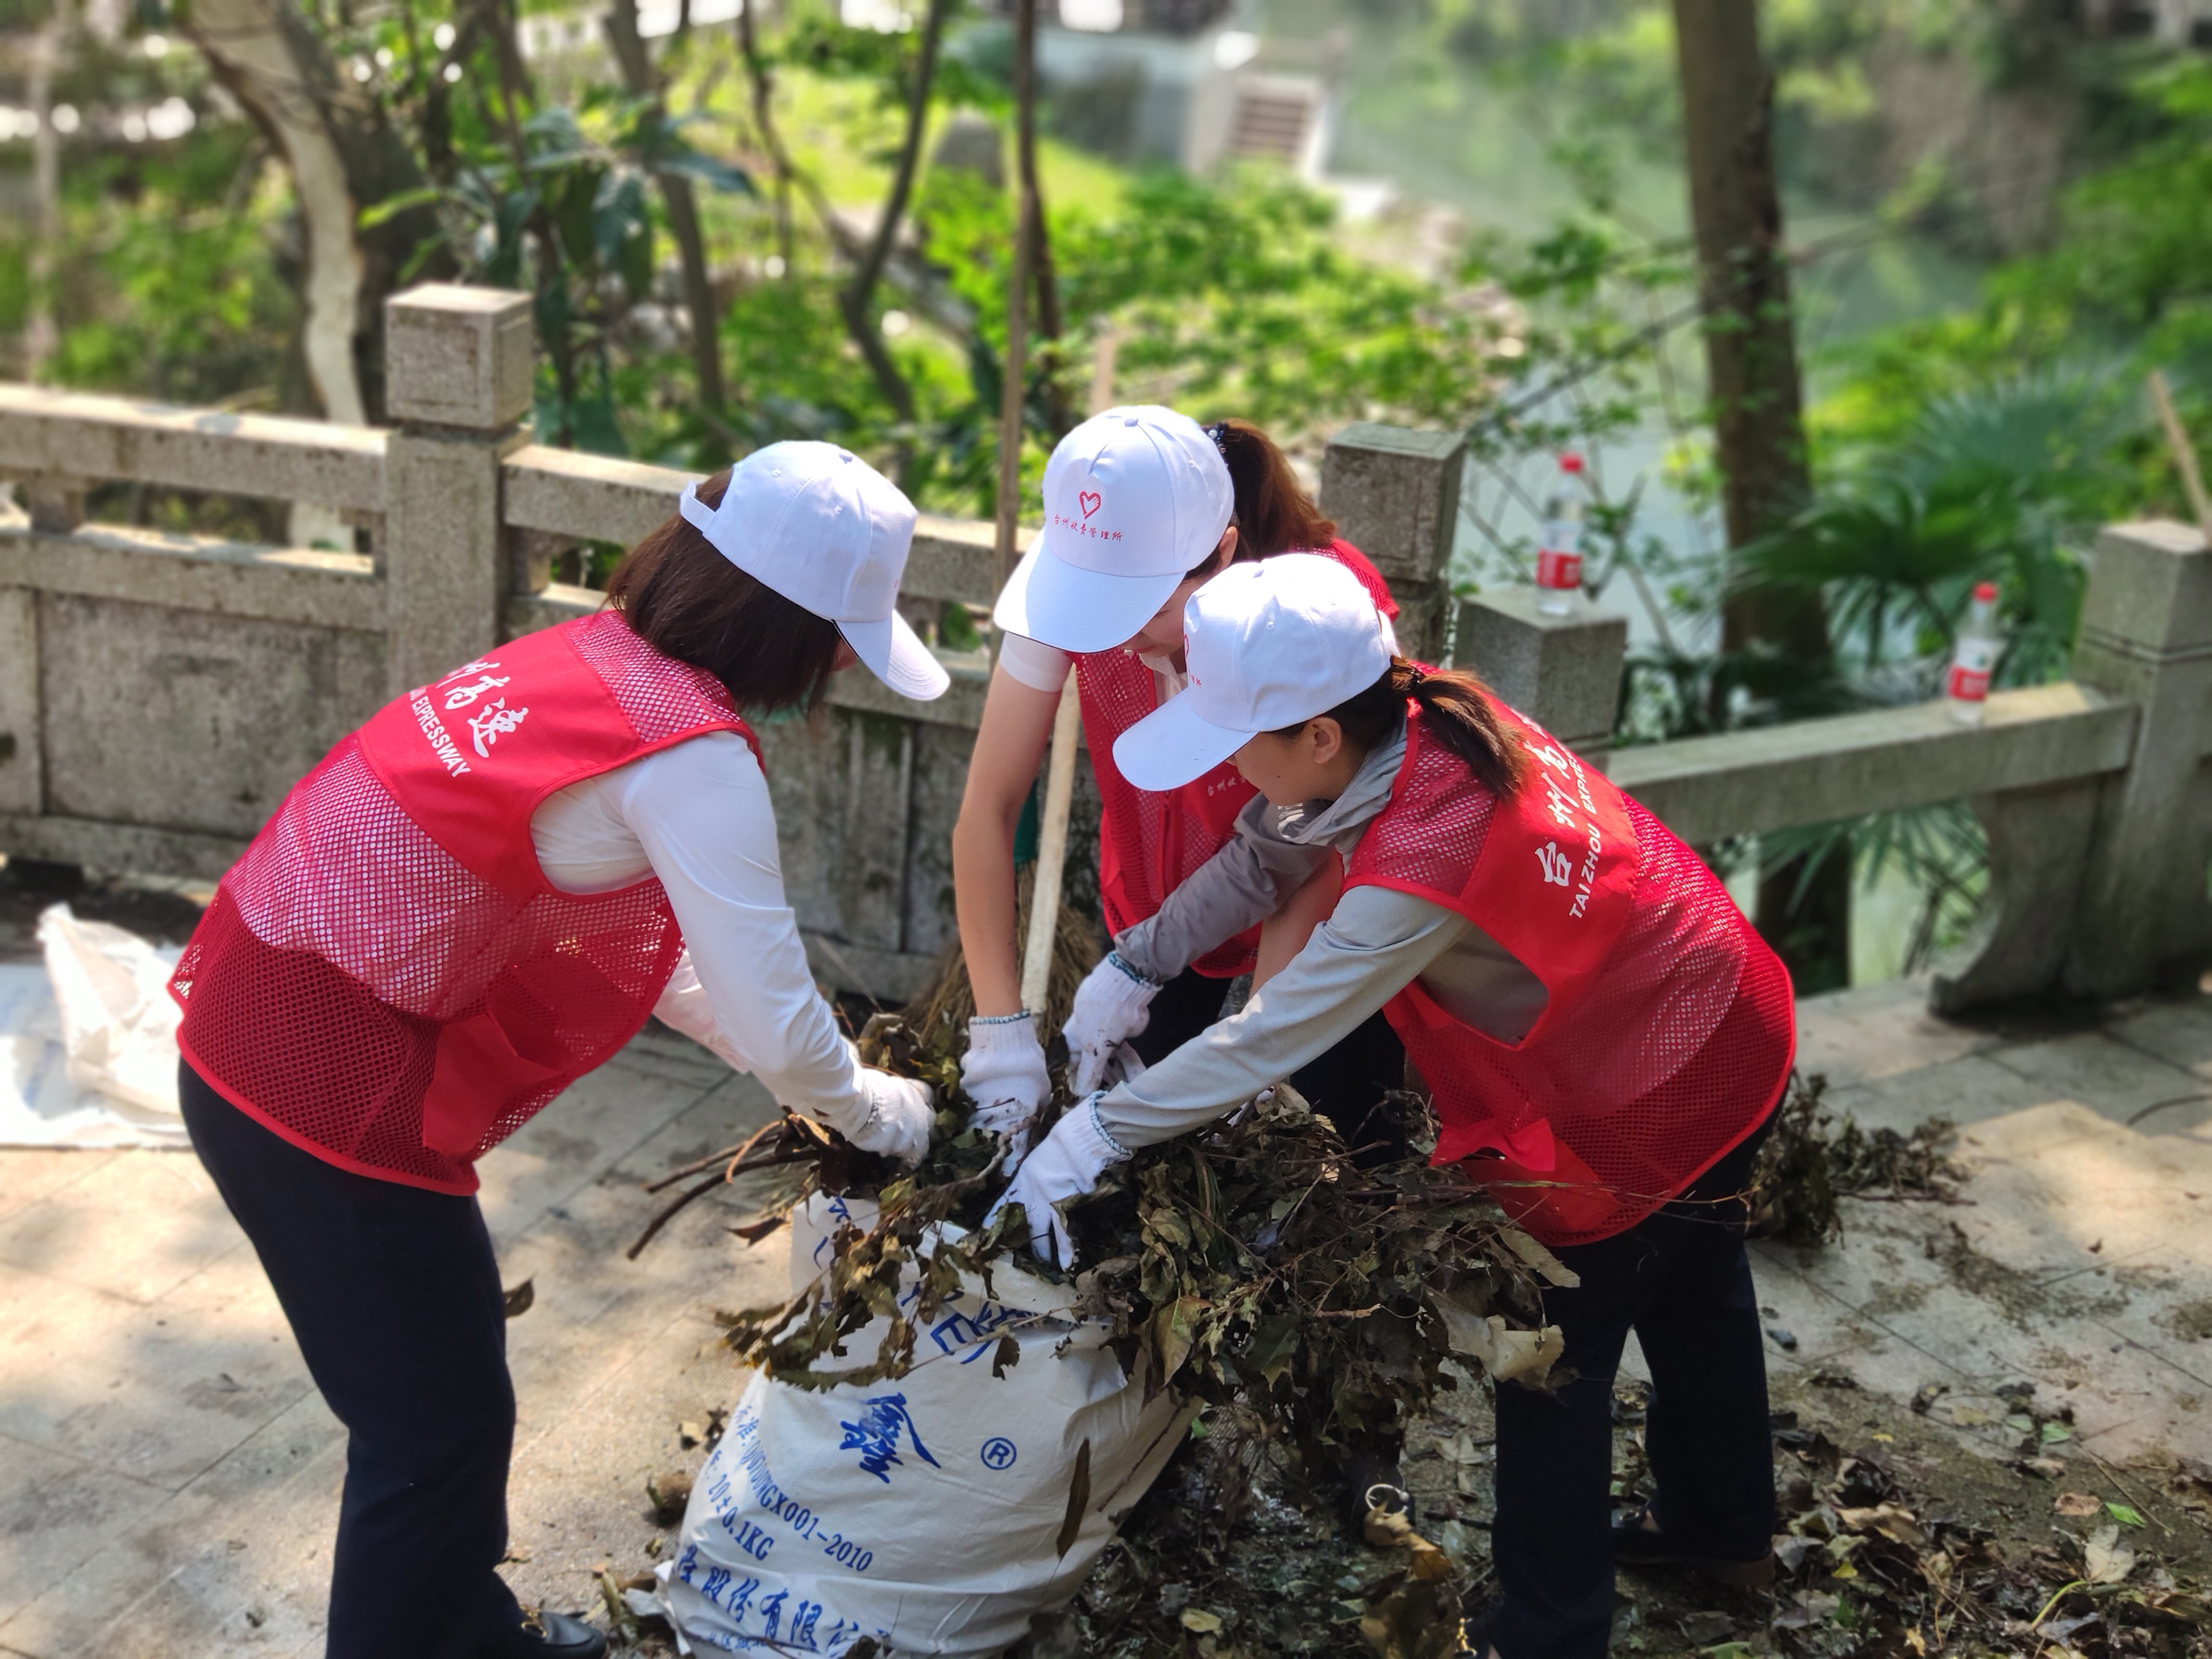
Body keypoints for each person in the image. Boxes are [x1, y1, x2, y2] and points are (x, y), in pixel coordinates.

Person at [166, 444, 949, 1659]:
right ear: (792, 627)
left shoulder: (593, 664)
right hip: (318, 1090)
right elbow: (781, 1016)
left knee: (447, 1378)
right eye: (844, 636)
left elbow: (688, 973)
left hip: (255, 1013)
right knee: (431, 1428)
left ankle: (465, 1630)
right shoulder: (692, 759)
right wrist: (884, 1113)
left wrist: (800, 1071)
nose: (843, 665)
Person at [994, 556, 1797, 1659]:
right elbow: (1266, 852)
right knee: (1699, 1283)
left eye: (1237, 736)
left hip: (1650, 1081)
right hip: (1731, 1008)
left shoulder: (1425, 856)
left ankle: (1548, 1635)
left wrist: (1096, 1131)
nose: (1228, 761)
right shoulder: (1416, 712)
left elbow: (1270, 1035)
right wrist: (1141, 958)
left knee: (1547, 1356)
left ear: (1318, 735)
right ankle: (1724, 1532)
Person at [952, 406, 1404, 1162]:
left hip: (1312, 920)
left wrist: (1257, 1057)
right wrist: (999, 1036)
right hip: (1153, 906)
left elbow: (1310, 846)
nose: (1117, 634)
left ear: (1221, 552)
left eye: (1146, 608)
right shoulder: (1077, 574)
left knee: (1323, 1147)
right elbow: (987, 809)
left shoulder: (1320, 615)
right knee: (1131, 1153)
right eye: (1093, 606)